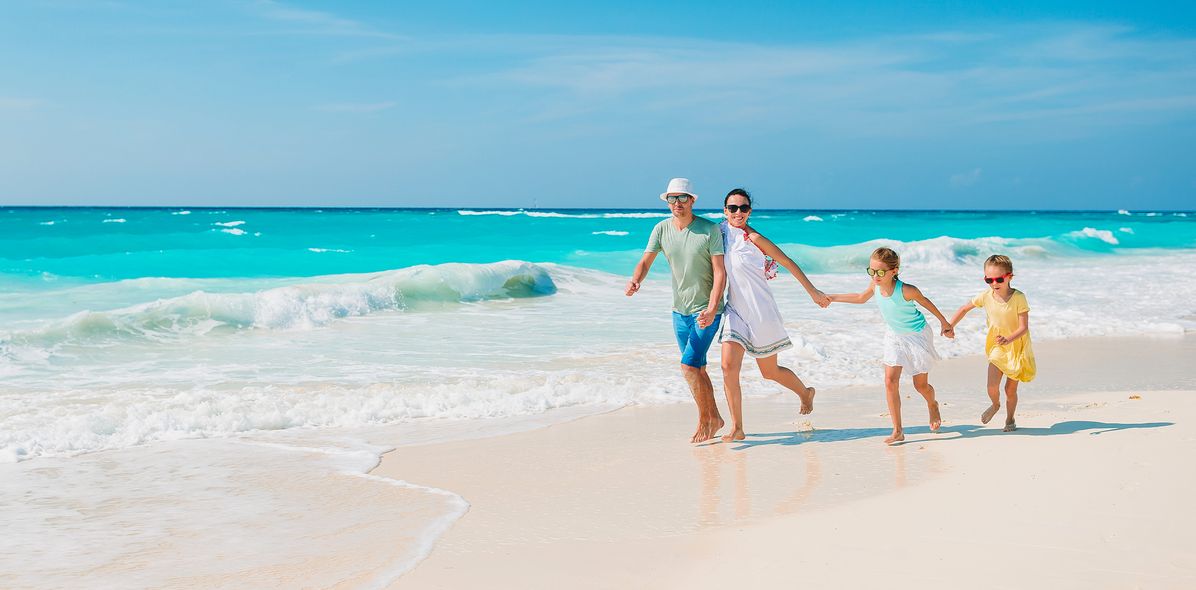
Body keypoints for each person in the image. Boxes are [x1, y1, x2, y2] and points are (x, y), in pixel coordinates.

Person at [718, 188, 830, 442]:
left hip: (761, 312)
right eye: (733, 208)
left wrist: (813, 291)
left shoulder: (755, 239)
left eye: (743, 208)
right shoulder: (719, 233)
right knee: (727, 367)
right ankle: (737, 427)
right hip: (734, 311)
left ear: (749, 211)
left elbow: (788, 262)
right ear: (725, 211)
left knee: (769, 372)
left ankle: (805, 393)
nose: (738, 212)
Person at [625, 178, 727, 443]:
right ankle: (715, 418)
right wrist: (636, 280)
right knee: (698, 368)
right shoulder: (661, 229)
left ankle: (704, 421)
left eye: (682, 198)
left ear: (692, 200)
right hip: (679, 311)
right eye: (672, 198)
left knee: (688, 366)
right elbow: (645, 261)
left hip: (706, 311)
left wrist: (712, 308)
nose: (677, 203)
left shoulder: (709, 230)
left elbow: (720, 272)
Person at [825, 247, 953, 444]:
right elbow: (860, 298)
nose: (875, 276)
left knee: (920, 386)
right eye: (871, 271)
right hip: (894, 335)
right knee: (889, 381)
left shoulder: (907, 290)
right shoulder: (875, 285)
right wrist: (832, 298)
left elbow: (926, 303)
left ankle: (932, 404)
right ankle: (897, 430)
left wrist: (944, 323)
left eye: (880, 272)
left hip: (917, 336)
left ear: (894, 271)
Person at [947, 254, 1036, 432]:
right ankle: (995, 404)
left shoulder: (1019, 297)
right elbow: (964, 308)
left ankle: (1010, 419)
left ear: (1009, 277)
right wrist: (950, 326)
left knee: (1010, 389)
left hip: (1016, 347)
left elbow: (1023, 327)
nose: (994, 283)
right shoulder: (986, 296)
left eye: (999, 279)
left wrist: (1009, 339)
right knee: (991, 386)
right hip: (997, 346)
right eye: (989, 280)